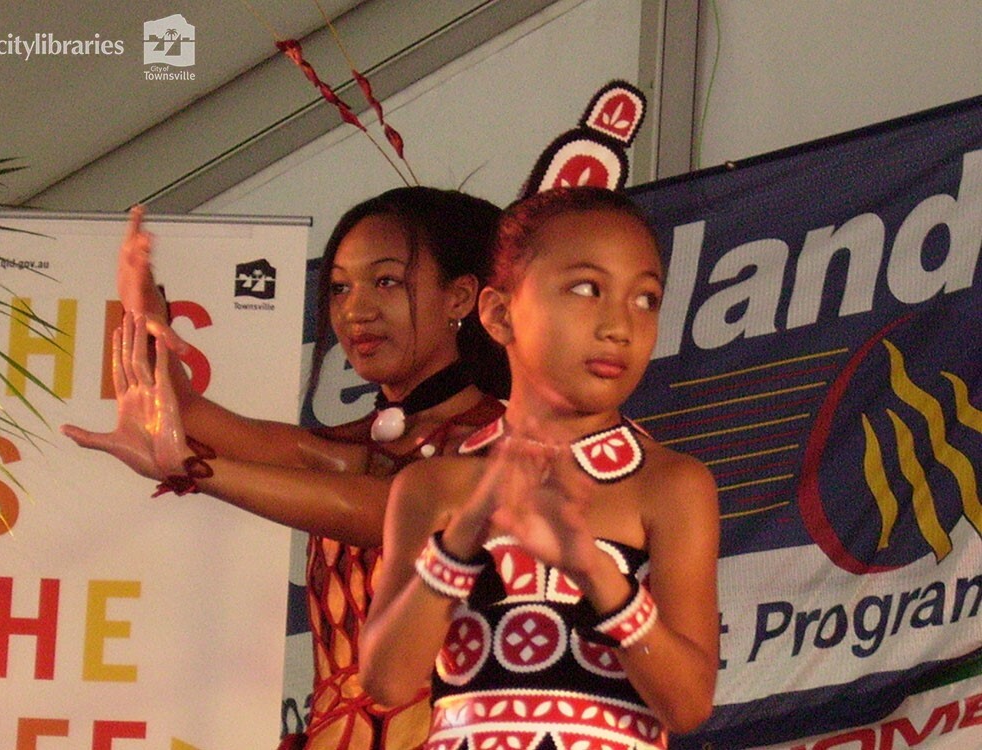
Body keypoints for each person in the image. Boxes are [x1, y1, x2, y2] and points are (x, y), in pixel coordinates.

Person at [61, 186, 510, 750]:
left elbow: (386, 510)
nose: (356, 309)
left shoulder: (505, 441)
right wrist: (145, 316)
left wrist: (195, 468)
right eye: (340, 287)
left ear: (461, 298)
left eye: (386, 281)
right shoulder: (349, 448)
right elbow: (191, 416)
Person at [358, 186, 720, 750]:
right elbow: (386, 680)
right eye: (585, 289)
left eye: (645, 299)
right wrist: (462, 538)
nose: (619, 326)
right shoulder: (434, 484)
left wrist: (592, 569)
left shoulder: (672, 484)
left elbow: (689, 704)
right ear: (500, 314)